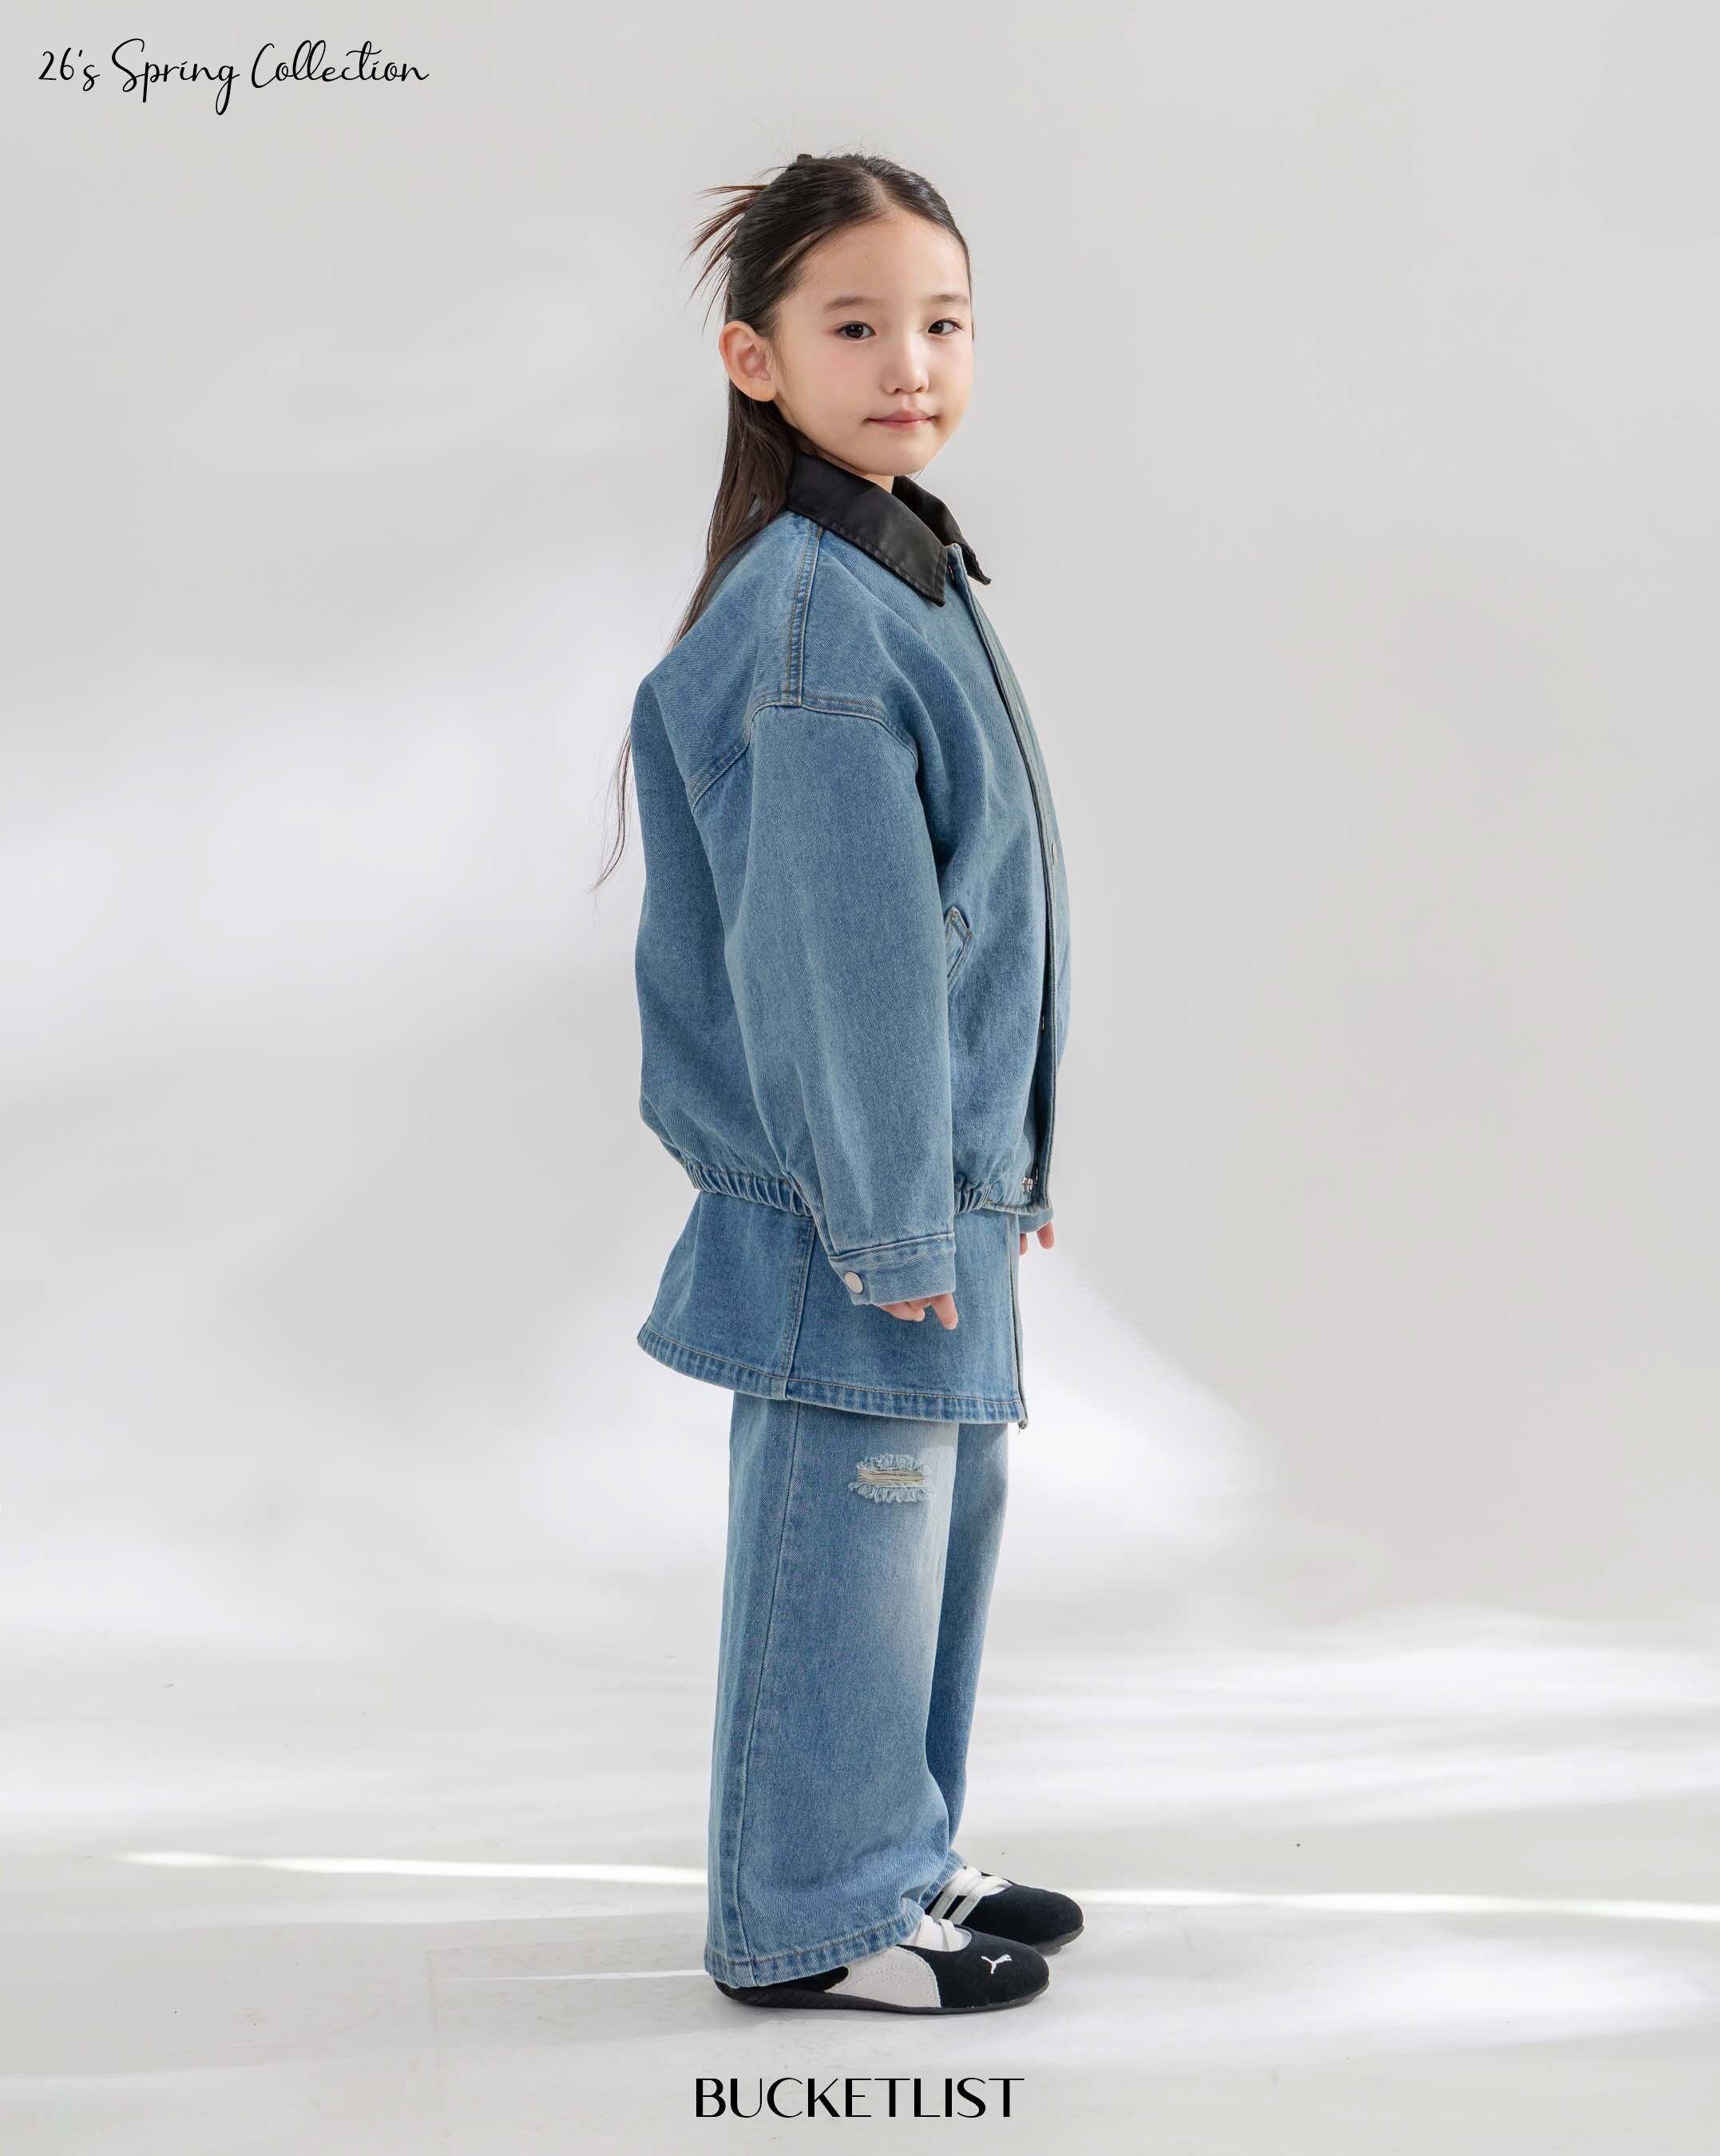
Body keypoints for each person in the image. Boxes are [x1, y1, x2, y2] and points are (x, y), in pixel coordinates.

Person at [594, 150, 1076, 2015]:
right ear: (757, 359)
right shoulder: (816, 620)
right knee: (854, 1526)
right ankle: (815, 1912)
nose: (911, 364)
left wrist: (993, 1174)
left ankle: (900, 1843)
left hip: (931, 1184)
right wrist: (886, 1218)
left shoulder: (901, 567)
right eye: (856, 326)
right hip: (854, 1200)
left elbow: (965, 921)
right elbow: (836, 956)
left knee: (932, 1525)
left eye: (944, 322)